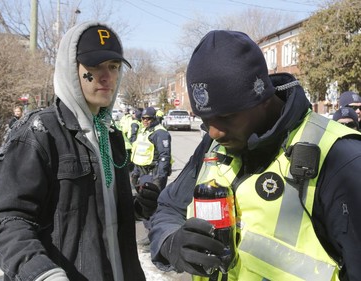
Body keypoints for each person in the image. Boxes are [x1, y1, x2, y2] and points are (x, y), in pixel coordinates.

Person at [149, 30, 361, 281]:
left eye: (226, 117)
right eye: (205, 120)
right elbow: (168, 209)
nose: (214, 132)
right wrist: (172, 243)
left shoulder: (340, 158)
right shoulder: (213, 144)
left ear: (262, 98)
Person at [0, 21, 159, 281]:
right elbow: (5, 220)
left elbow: (96, 211)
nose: (107, 76)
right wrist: (42, 273)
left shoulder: (109, 135)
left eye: (113, 67)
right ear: (71, 69)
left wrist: (136, 206)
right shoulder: (39, 132)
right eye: (95, 66)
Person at [131, 106, 172, 251]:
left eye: (148, 119)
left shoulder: (160, 133)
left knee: (153, 206)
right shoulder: (145, 131)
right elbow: (138, 152)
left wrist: (159, 178)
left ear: (154, 119)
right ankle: (150, 235)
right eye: (143, 118)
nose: (145, 121)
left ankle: (157, 238)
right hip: (143, 173)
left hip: (154, 173)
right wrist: (135, 173)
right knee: (144, 206)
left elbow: (164, 156)